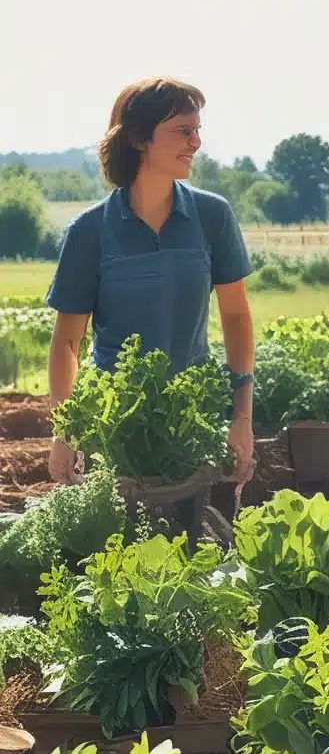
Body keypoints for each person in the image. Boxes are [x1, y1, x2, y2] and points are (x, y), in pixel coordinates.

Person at [46, 77, 255, 485]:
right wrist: (64, 431)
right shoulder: (88, 231)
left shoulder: (213, 216)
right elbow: (67, 342)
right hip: (114, 431)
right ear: (140, 139)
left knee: (194, 539)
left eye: (197, 130)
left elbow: (237, 320)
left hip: (194, 424)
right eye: (182, 130)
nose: (195, 142)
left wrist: (241, 417)